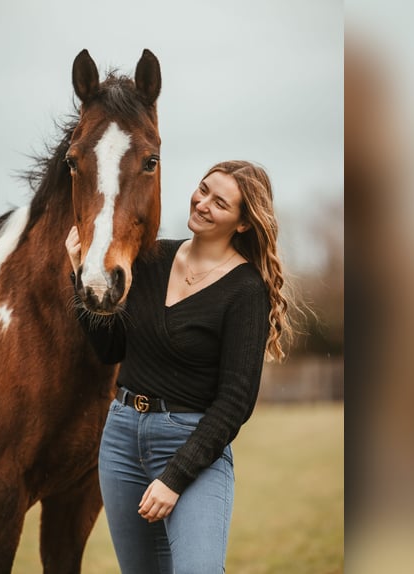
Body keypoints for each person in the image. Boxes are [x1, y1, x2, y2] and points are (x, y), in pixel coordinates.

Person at [65, 160, 292, 573]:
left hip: (192, 444)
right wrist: (81, 273)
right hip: (121, 442)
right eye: (203, 189)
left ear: (242, 223)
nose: (202, 203)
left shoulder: (245, 290)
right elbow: (110, 348)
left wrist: (175, 477)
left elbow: (235, 401)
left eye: (220, 202)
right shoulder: (151, 259)